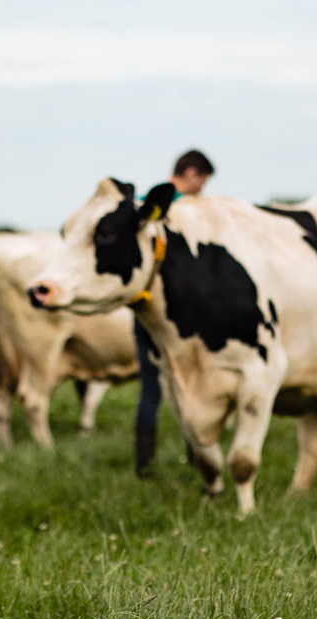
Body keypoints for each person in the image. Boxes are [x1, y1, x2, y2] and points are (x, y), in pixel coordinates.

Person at [134, 150, 215, 476]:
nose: (202, 189)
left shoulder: (144, 204)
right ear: (192, 173)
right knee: (191, 386)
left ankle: (144, 464)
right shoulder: (186, 210)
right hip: (183, 314)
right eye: (203, 182)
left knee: (150, 387)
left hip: (146, 310)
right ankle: (197, 456)